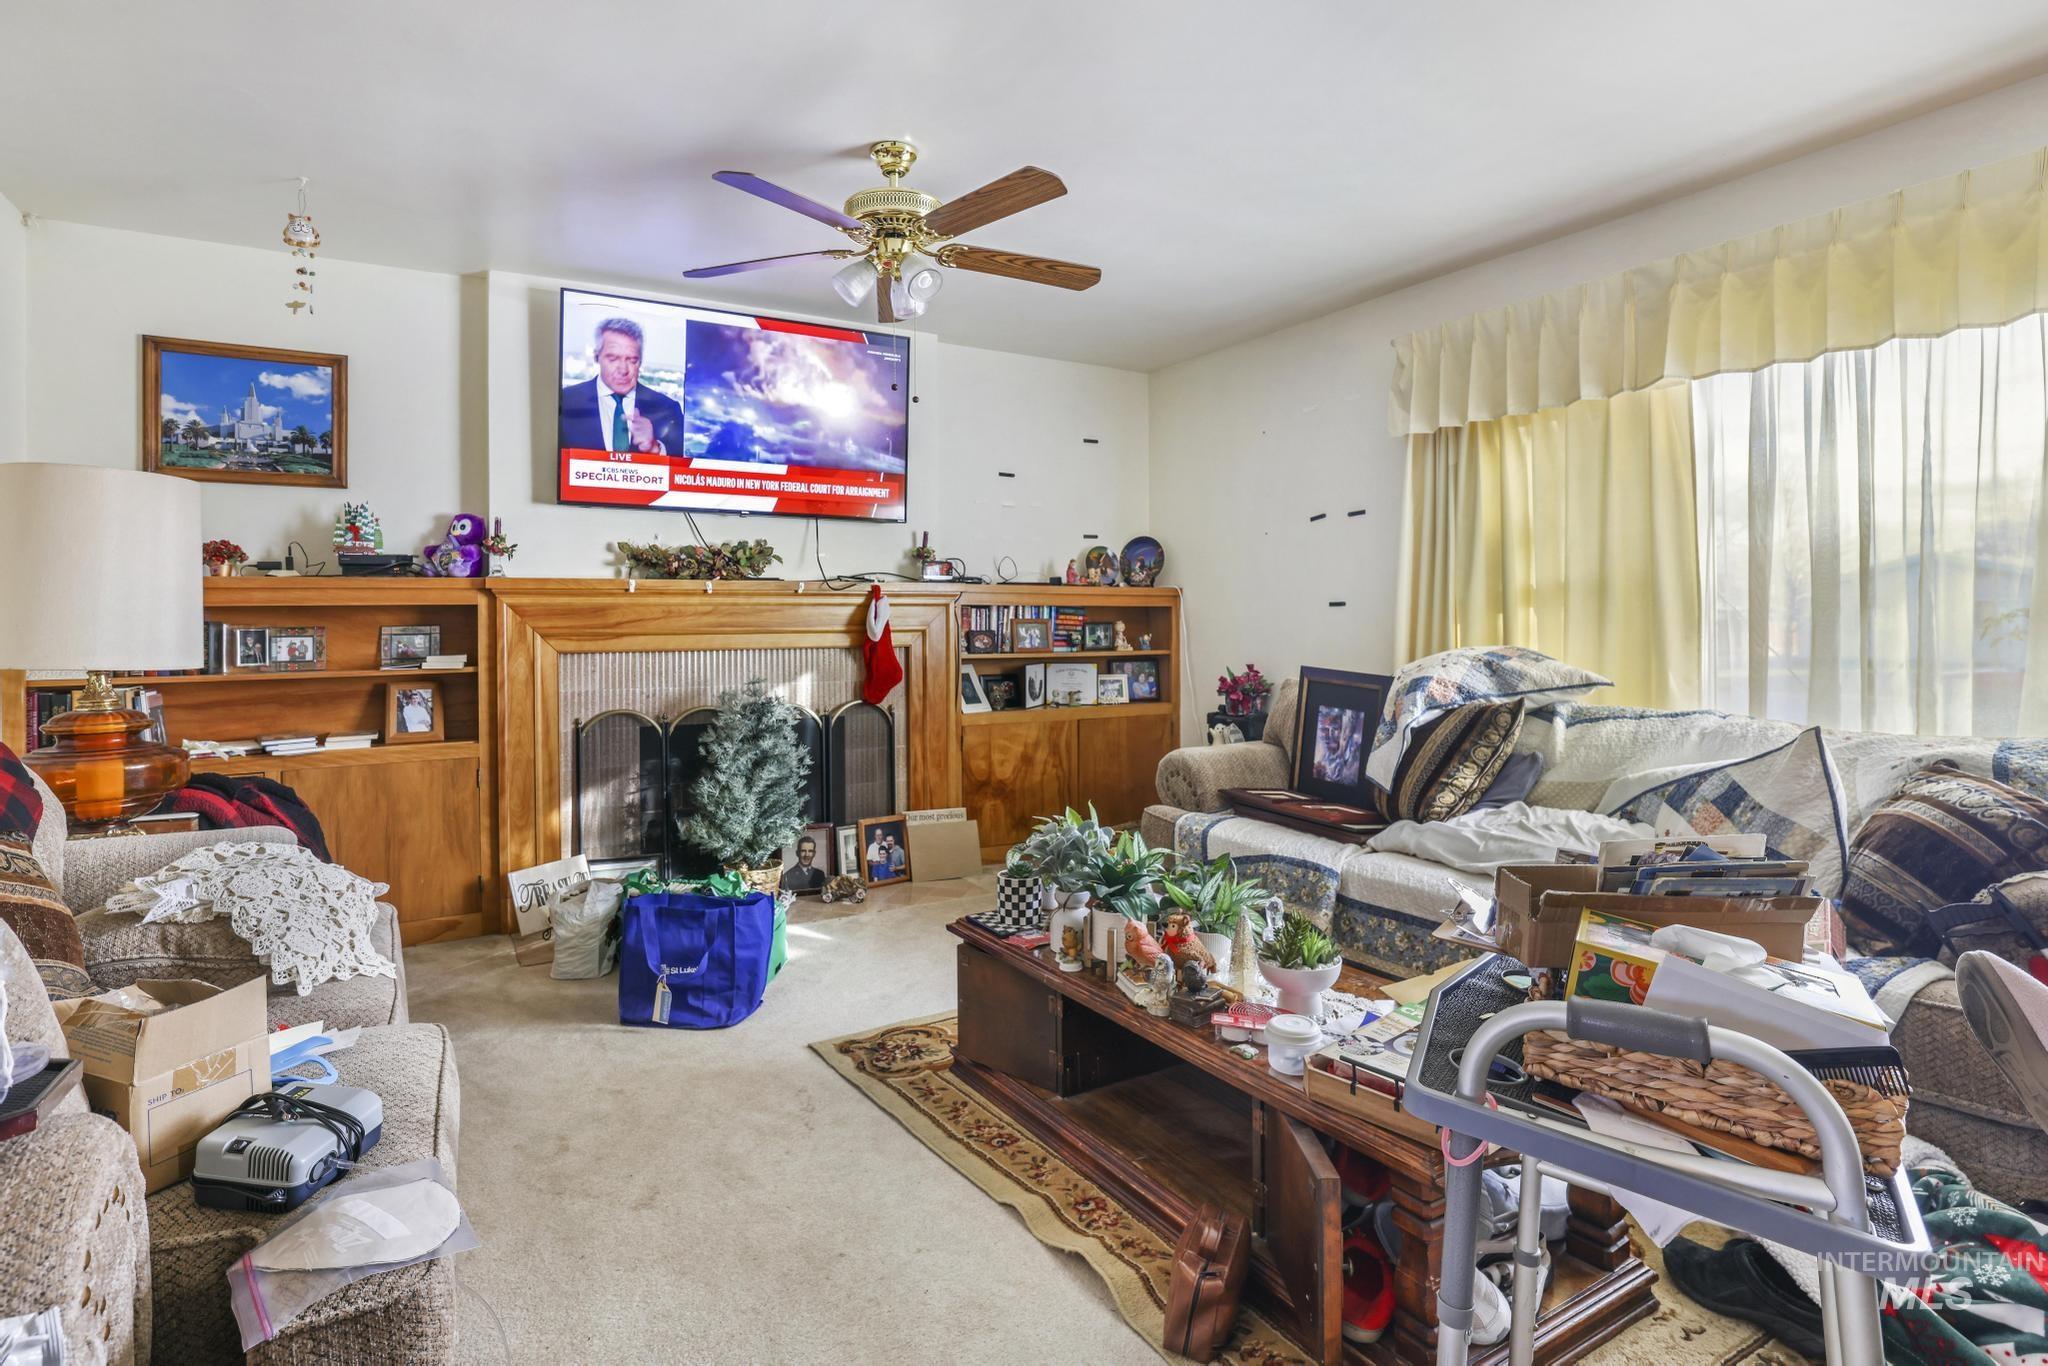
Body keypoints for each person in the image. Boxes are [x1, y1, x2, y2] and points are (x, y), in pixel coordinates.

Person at [559, 316, 684, 456]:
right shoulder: (565, 401)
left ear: (640, 361)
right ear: (596, 357)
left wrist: (655, 449)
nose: (623, 369)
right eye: (613, 359)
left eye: (632, 360)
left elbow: (685, 471)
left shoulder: (668, 409)